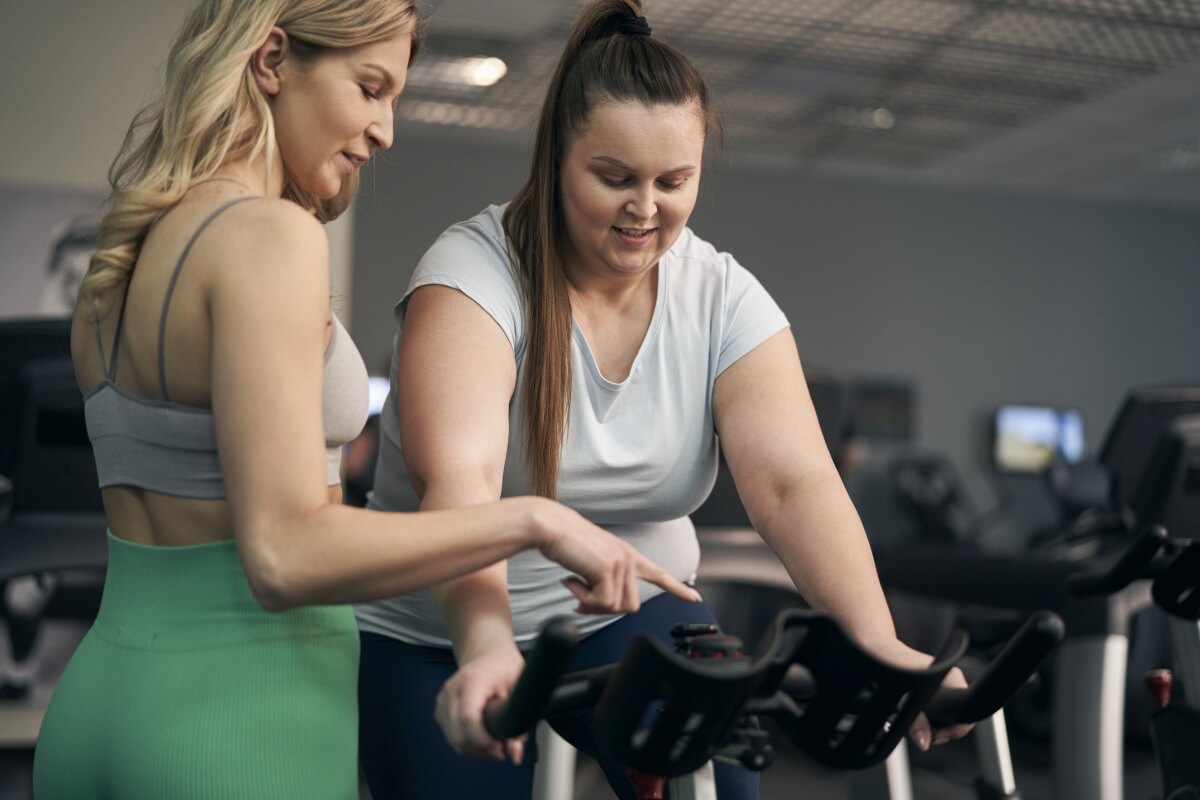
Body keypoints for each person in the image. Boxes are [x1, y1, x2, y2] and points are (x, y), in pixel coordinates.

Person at [30, 1, 697, 798]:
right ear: (273, 59)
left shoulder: (127, 251)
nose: (383, 130)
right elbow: (282, 555)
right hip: (237, 722)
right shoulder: (269, 237)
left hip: (98, 705)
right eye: (369, 87)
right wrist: (538, 519)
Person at [355, 1, 972, 798]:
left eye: (673, 181)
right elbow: (461, 488)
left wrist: (880, 646)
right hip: (437, 629)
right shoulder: (473, 278)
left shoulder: (720, 295)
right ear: (556, 161)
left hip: (628, 617)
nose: (645, 208)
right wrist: (486, 649)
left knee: (718, 783)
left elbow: (794, 486)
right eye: (614, 177)